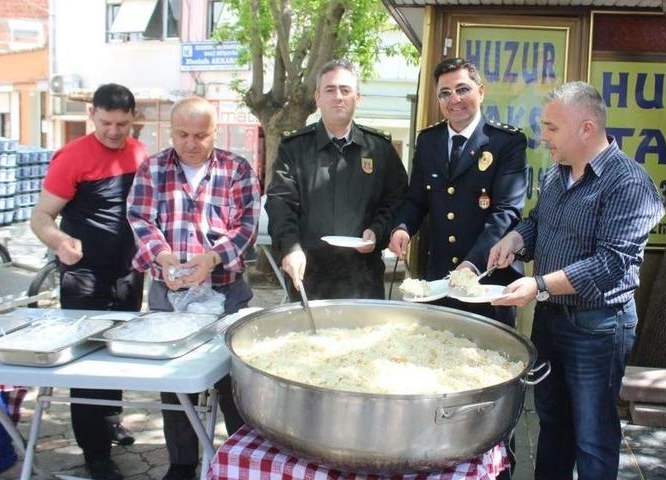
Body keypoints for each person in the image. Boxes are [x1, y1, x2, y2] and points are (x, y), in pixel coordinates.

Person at [488, 81, 665, 480]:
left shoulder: (629, 184)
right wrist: (515, 240)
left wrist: (539, 285)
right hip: (552, 321)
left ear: (586, 128)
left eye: (551, 128)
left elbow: (612, 265)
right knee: (553, 423)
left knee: (593, 436)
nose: (542, 136)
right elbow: (538, 223)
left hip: (598, 328)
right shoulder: (556, 174)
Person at [126, 96, 261, 480]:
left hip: (226, 291)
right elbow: (139, 219)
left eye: (201, 135)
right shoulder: (153, 168)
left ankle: (244, 458)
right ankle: (183, 463)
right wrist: (164, 256)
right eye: (183, 134)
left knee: (234, 381)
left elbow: (246, 226)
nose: (191, 143)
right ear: (170, 131)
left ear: (215, 133)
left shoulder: (236, 169)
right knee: (175, 383)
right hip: (168, 293)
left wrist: (213, 258)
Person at [30, 83, 144, 480]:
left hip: (130, 272)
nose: (114, 131)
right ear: (92, 114)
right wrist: (60, 242)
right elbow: (40, 217)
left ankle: (110, 420)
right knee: (88, 362)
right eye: (107, 122)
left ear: (133, 119)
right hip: (83, 275)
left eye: (123, 124)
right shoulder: (72, 156)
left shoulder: (138, 153)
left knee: (119, 354)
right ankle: (94, 453)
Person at [388, 57, 528, 326]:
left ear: (481, 91)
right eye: (445, 93)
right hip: (439, 281)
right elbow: (417, 198)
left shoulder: (506, 142)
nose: (454, 99)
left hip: (488, 281)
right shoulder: (429, 141)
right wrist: (402, 228)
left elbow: (507, 212)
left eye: (462, 89)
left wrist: (471, 266)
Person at [265, 59, 408, 299]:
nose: (338, 97)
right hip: (308, 276)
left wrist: (378, 230)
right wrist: (290, 247)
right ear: (318, 97)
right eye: (330, 90)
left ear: (357, 98)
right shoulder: (294, 148)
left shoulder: (379, 149)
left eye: (346, 90)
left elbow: (397, 199)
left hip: (364, 277)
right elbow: (280, 203)